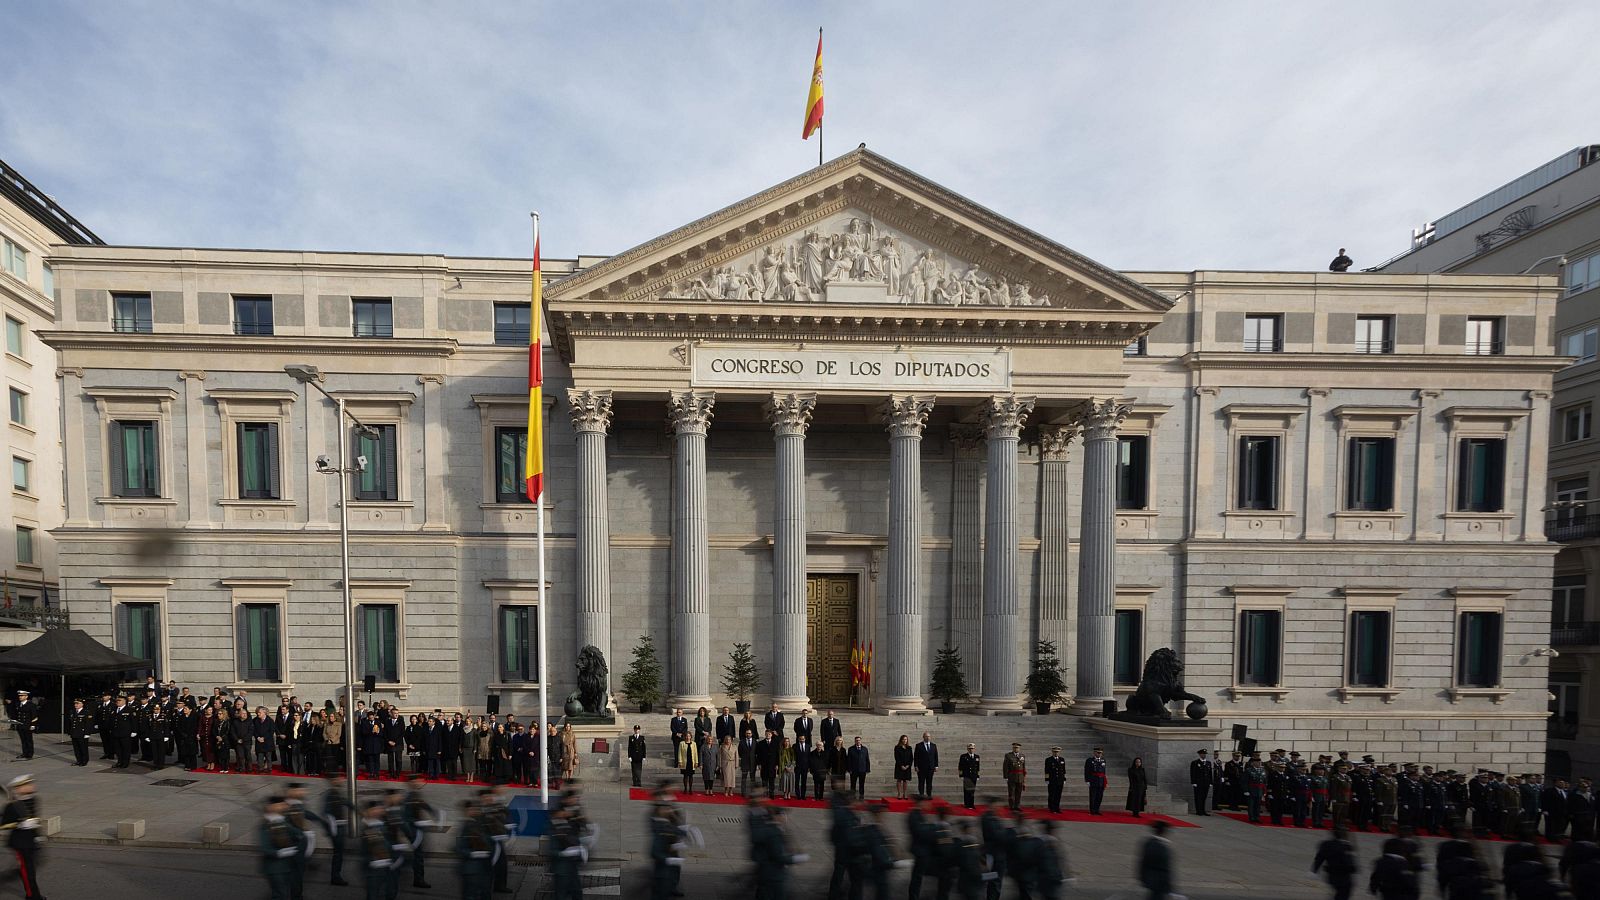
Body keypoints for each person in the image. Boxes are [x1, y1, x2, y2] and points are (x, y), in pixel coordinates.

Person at [1, 774, 43, 900]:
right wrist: (19, 824)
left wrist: (38, 834)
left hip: (32, 840)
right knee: (28, 872)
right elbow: (3, 825)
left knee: (30, 868)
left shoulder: (34, 799)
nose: (31, 785)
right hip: (20, 843)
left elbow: (35, 817)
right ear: (18, 788)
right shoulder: (11, 806)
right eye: (27, 784)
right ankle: (32, 896)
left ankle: (12, 875)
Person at [259, 794, 303, 900]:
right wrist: (281, 852)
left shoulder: (281, 821)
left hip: (286, 866)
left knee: (286, 893)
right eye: (280, 805)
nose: (283, 807)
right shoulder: (265, 825)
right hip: (274, 868)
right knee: (280, 895)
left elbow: (297, 833)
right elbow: (265, 848)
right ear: (271, 807)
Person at [403, 776, 436, 889]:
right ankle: (418, 879)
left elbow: (424, 805)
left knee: (419, 855)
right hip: (413, 831)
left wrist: (434, 813)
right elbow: (406, 817)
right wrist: (418, 822)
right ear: (411, 783)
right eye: (417, 781)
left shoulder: (416, 795)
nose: (420, 782)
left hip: (418, 830)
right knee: (418, 856)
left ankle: (418, 877)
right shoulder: (408, 798)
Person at [1311, 825, 1357, 900]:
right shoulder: (1345, 846)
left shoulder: (1326, 844)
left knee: (1339, 893)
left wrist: (1314, 871)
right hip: (1343, 877)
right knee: (1343, 894)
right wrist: (1353, 869)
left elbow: (1319, 858)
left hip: (1331, 876)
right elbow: (1348, 862)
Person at [321, 773, 351, 887]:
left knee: (339, 853)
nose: (341, 780)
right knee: (338, 853)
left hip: (340, 826)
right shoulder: (330, 794)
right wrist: (333, 828)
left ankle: (336, 875)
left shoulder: (336, 792)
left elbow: (346, 802)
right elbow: (325, 812)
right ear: (333, 781)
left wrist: (358, 810)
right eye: (338, 778)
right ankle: (335, 876)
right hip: (336, 828)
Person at [1137, 820, 1174, 900]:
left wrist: (1142, 877)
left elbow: (1143, 862)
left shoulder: (1148, 842)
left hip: (1152, 881)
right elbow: (1164, 868)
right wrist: (1168, 885)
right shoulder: (1160, 846)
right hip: (1158, 882)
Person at [67, 697, 95, 767]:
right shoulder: (72, 711)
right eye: (75, 703)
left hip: (82, 733)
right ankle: (78, 760)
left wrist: (87, 733)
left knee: (83, 748)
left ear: (82, 704)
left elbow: (88, 724)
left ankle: (84, 761)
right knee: (76, 748)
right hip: (74, 733)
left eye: (78, 703)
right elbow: (70, 723)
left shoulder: (86, 712)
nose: (76, 705)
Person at [10, 690, 37, 761]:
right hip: (20, 725)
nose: (20, 697)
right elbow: (16, 714)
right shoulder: (18, 704)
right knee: (23, 740)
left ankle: (30, 754)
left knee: (29, 740)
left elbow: (34, 716)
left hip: (27, 725)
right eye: (19, 696)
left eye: (22, 696)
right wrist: (15, 721)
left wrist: (33, 725)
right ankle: (24, 753)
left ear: (26, 696)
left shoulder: (31, 705)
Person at [914, 731, 939, 801]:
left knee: (929, 782)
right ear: (923, 737)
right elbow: (916, 756)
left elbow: (935, 756)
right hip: (921, 767)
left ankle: (929, 794)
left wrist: (936, 766)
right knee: (921, 781)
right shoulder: (918, 745)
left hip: (930, 767)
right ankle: (921, 794)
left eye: (928, 736)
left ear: (930, 737)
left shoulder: (934, 746)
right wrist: (916, 766)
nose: (927, 738)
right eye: (926, 736)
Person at [1003, 743, 1027, 812]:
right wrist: (1006, 777)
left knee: (1019, 793)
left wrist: (1024, 777)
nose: (1016, 749)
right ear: (1013, 748)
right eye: (1015, 748)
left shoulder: (1022, 756)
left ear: (1019, 748)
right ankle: (1012, 806)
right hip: (1012, 777)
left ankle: (1017, 806)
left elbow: (1024, 767)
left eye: (1017, 748)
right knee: (1011, 792)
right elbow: (1005, 767)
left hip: (1020, 777)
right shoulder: (1008, 756)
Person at [1190, 749, 1214, 816]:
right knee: (1198, 797)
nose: (1203, 755)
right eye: (1202, 754)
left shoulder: (1208, 763)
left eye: (1205, 754)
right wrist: (1193, 782)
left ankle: (1203, 811)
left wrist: (1211, 782)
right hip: (1198, 783)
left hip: (1206, 783)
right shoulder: (1195, 763)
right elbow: (1193, 773)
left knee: (1204, 797)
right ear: (1199, 755)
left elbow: (1210, 773)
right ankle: (1198, 811)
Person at [846, 736, 871, 800]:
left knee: (862, 784)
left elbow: (867, 759)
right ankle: (852, 797)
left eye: (859, 740)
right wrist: (849, 769)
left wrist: (867, 769)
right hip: (853, 770)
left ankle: (861, 797)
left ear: (861, 741)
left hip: (862, 770)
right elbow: (849, 760)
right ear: (855, 741)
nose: (858, 741)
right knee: (853, 784)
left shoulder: (865, 749)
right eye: (856, 740)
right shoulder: (851, 749)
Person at [1084, 747, 1108, 815]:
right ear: (1094, 753)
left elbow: (1104, 771)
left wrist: (1104, 781)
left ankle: (1097, 810)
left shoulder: (1103, 760)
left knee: (1099, 796)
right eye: (1098, 753)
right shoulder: (1090, 760)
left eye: (1100, 753)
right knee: (1093, 796)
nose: (1099, 754)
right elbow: (1086, 771)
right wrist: (1087, 780)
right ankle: (1092, 810)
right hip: (1093, 780)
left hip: (1101, 781)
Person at [1045, 746, 1067, 814]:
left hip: (1060, 780)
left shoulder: (1062, 759)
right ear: (1052, 752)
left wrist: (1064, 779)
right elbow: (1046, 770)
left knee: (1058, 794)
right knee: (1052, 794)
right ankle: (1051, 807)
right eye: (1055, 752)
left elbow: (1063, 770)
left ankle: (1057, 807)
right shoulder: (1049, 759)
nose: (1056, 753)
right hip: (1052, 780)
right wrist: (1047, 779)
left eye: (1057, 752)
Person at [959, 743, 981, 810]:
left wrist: (978, 775)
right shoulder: (963, 756)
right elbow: (960, 766)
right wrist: (961, 775)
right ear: (967, 749)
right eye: (970, 748)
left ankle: (971, 804)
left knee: (972, 791)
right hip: (966, 776)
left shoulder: (977, 757)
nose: (971, 750)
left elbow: (978, 767)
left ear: (974, 749)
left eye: (972, 748)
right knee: (966, 791)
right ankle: (967, 804)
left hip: (973, 776)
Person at [676, 729, 698, 794]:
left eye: (689, 736)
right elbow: (679, 753)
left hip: (691, 762)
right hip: (685, 762)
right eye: (686, 736)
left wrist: (696, 762)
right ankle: (685, 788)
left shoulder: (694, 743)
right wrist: (680, 761)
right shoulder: (681, 743)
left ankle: (690, 789)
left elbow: (695, 753)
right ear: (685, 736)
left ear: (691, 737)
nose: (687, 737)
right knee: (685, 776)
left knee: (691, 776)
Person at [894, 735, 914, 800]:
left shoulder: (909, 748)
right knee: (899, 779)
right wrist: (901, 765)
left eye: (906, 739)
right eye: (903, 739)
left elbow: (911, 758)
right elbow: (897, 757)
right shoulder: (897, 747)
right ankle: (899, 793)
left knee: (905, 780)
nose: (905, 740)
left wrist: (908, 765)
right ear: (901, 740)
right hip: (899, 766)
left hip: (907, 767)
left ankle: (905, 793)